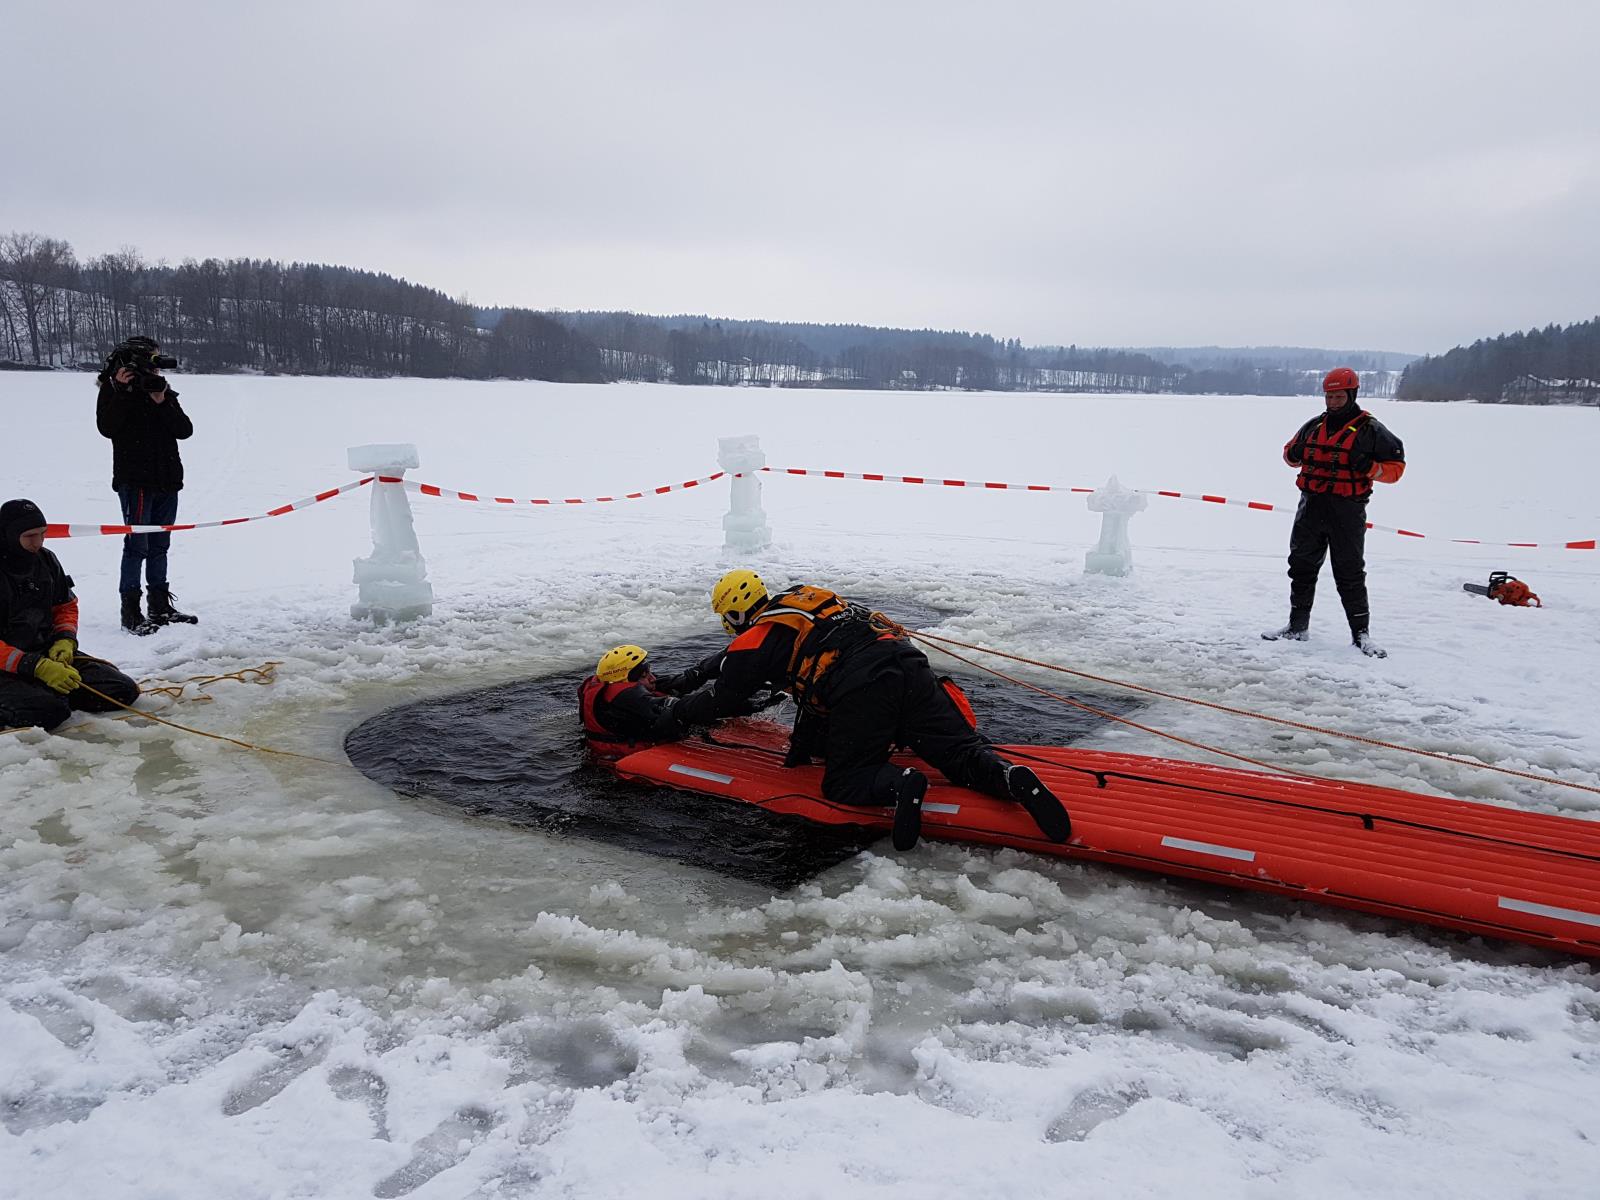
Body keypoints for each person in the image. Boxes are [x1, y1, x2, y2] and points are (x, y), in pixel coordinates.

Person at [672, 570, 1072, 852]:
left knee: (843, 781)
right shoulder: (801, 600)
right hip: (906, 663)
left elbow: (721, 699)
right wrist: (692, 674)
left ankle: (901, 784)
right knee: (957, 751)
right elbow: (734, 658)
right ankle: (1008, 776)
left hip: (863, 686)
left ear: (736, 613)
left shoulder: (753, 643)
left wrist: (675, 711)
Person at [1263, 367, 1405, 658]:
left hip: (1347, 510)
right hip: (1311, 505)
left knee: (1349, 572)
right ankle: (1297, 626)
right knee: (1301, 565)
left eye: (1339, 396)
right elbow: (1290, 454)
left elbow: (1396, 470)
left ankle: (1361, 636)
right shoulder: (1314, 426)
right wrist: (1294, 453)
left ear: (1352, 394)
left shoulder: (1372, 430)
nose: (1333, 402)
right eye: (1329, 396)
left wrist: (1369, 467)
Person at [0, 499, 141, 731]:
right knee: (50, 712)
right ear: (9, 535)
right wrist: (34, 666)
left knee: (121, 690)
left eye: (42, 534)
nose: (38, 542)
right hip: (7, 664)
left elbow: (65, 606)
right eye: (30, 536)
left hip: (44, 652)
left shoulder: (46, 560)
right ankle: (39, 698)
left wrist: (65, 640)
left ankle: (43, 694)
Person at [95, 336, 199, 635]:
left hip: (167, 480)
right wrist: (124, 392)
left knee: (160, 545)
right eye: (150, 359)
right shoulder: (113, 391)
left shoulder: (161, 389)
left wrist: (161, 401)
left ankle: (159, 605)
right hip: (136, 480)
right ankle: (131, 611)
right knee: (136, 545)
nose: (155, 365)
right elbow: (108, 428)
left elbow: (184, 430)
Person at [578, 644, 699, 757]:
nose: (653, 678)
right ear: (627, 682)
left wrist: (707, 669)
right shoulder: (628, 700)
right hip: (621, 757)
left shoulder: (616, 692)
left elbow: (677, 683)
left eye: (649, 672)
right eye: (643, 675)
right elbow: (682, 710)